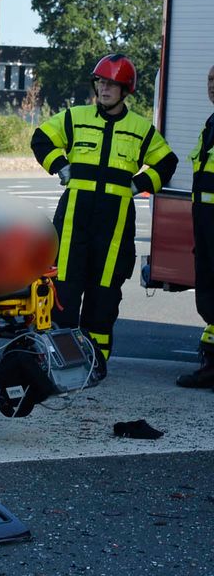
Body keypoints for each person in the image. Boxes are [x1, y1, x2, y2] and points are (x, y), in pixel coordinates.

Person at [31, 54, 178, 374]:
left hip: (115, 225)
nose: (104, 89)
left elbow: (167, 162)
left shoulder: (140, 129)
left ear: (126, 90)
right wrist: (59, 165)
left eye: (112, 84)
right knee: (64, 292)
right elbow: (41, 139)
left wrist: (139, 185)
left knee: (104, 296)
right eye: (100, 82)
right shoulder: (75, 117)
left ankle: (95, 363)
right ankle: (60, 362)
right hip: (73, 220)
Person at [177, 63, 214, 388]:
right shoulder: (210, 126)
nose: (213, 85)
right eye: (210, 79)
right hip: (205, 226)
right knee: (208, 295)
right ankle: (211, 366)